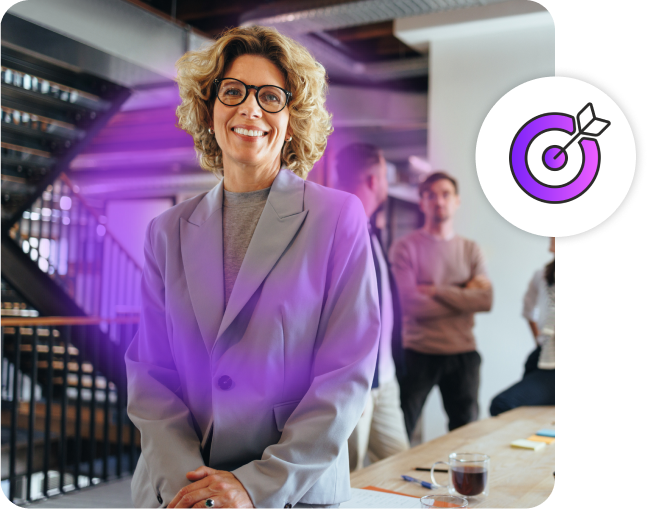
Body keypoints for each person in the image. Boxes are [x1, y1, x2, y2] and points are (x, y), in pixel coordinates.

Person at [125, 26, 381, 509]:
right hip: (180, 489)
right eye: (233, 92)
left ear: (292, 117)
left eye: (270, 96)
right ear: (210, 107)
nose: (249, 108)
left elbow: (345, 373)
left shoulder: (337, 217)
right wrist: (193, 486)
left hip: (290, 488)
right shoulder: (166, 230)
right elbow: (150, 375)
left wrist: (253, 484)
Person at [389, 172, 493, 438]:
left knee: (465, 435)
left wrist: (435, 291)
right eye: (431, 195)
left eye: (446, 194)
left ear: (457, 201)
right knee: (401, 432)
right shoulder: (405, 247)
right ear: (421, 202)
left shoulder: (471, 250)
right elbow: (409, 305)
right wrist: (462, 295)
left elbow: (485, 299)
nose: (439, 201)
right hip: (417, 352)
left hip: (463, 354)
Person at [335, 143, 410, 471]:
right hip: (356, 381)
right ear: (370, 179)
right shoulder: (337, 230)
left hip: (385, 376)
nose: (387, 184)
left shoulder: (370, 228)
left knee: (401, 466)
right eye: (384, 176)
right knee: (348, 478)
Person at [490, 238, 555, 416]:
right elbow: (529, 311)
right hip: (542, 357)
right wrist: (541, 341)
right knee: (515, 410)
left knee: (503, 404)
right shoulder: (542, 276)